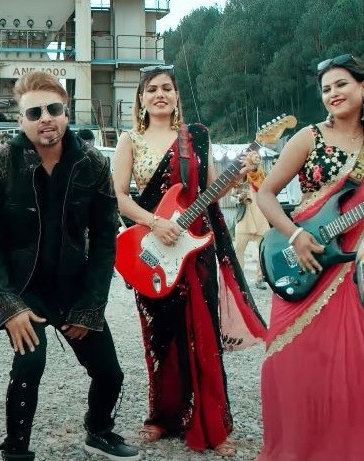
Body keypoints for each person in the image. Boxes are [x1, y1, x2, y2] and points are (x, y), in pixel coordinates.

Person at [253, 54, 364, 460]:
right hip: (305, 261)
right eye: (326, 88)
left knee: (357, 364)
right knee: (292, 363)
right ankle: (296, 450)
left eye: (341, 84)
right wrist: (295, 235)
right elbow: (266, 194)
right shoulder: (308, 137)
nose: (333, 93)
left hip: (356, 266)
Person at [0, 71, 139, 461]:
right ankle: (16, 449)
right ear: (21, 120)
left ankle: (99, 431)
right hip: (22, 286)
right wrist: (7, 306)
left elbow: (104, 241)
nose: (45, 118)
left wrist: (91, 305)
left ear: (66, 112)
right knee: (30, 361)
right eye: (34, 112)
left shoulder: (92, 163)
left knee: (110, 372)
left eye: (53, 109)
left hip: (73, 286)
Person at [109, 64, 267, 457]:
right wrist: (154, 223)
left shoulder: (195, 137)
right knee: (159, 336)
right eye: (151, 89)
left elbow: (212, 191)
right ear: (141, 99)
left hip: (195, 250)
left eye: (167, 88)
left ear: (177, 95)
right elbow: (119, 197)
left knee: (203, 335)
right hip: (151, 251)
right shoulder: (130, 139)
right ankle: (162, 417)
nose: (159, 94)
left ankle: (212, 424)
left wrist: (240, 172)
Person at [230, 165, 269, 287]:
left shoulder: (263, 178)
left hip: (260, 218)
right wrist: (239, 198)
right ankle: (240, 279)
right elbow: (232, 198)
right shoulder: (239, 179)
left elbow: (270, 194)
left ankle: (260, 279)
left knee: (262, 251)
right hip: (244, 219)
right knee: (238, 250)